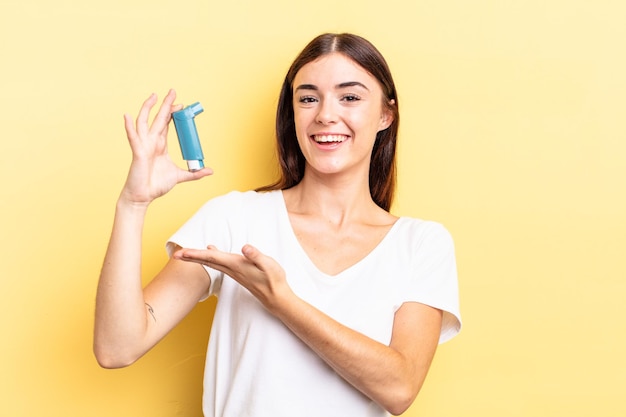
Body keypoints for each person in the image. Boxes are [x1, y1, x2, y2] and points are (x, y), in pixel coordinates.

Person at [94, 33, 461, 417]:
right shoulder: (233, 219)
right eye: (308, 98)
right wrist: (133, 204)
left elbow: (399, 388)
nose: (325, 114)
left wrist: (281, 300)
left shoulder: (421, 244)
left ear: (386, 114)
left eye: (349, 97)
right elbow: (117, 348)